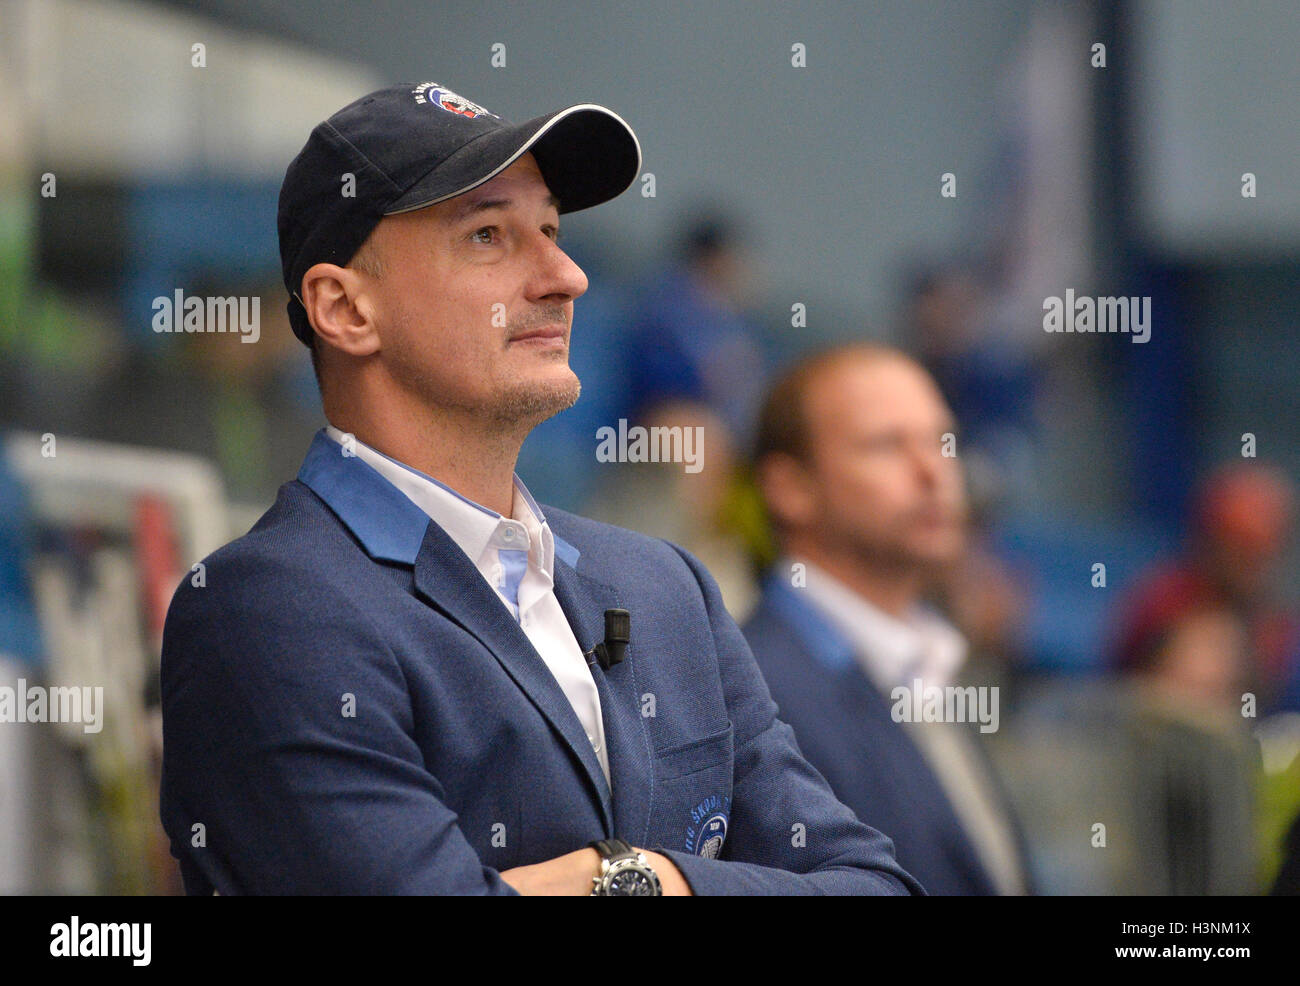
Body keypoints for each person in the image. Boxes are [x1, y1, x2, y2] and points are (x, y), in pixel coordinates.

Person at [158, 82, 923, 896]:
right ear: (346, 309)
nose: (566, 276)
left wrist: (638, 878)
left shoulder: (667, 590)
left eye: (552, 230)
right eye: (489, 234)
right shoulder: (268, 611)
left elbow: (875, 886)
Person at [743, 344, 1033, 895]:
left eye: (941, 442)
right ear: (790, 488)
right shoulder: (756, 688)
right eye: (886, 446)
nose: (933, 472)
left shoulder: (926, 658)